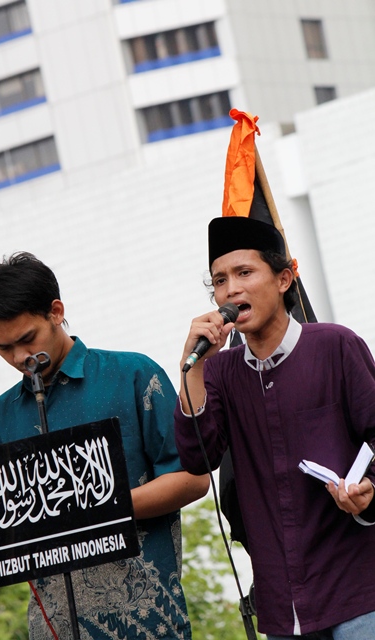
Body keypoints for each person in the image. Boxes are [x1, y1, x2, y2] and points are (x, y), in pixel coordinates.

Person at [0, 251, 209, 640]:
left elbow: (192, 479)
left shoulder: (133, 374)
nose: (19, 358)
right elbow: (14, 531)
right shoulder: (1, 415)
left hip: (147, 624)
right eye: (3, 347)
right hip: (52, 629)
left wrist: (91, 511)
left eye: (27, 339)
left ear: (56, 312)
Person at [174, 216, 375, 639]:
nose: (231, 289)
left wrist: (369, 487)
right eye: (220, 280)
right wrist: (193, 369)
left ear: (284, 279)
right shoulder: (219, 372)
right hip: (281, 604)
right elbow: (197, 457)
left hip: (358, 588)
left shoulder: (335, 346)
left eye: (245, 273)